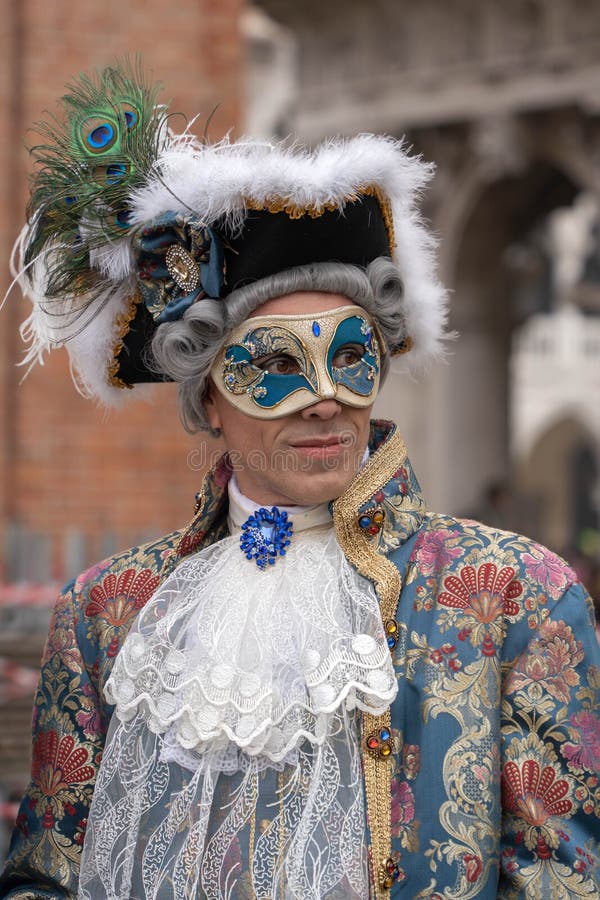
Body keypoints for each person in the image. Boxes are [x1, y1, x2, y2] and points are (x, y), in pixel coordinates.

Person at [1, 63, 598, 899]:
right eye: (274, 366)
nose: (324, 400)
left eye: (351, 359)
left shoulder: (516, 596)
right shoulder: (108, 614)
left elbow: (565, 881)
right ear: (208, 399)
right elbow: (45, 876)